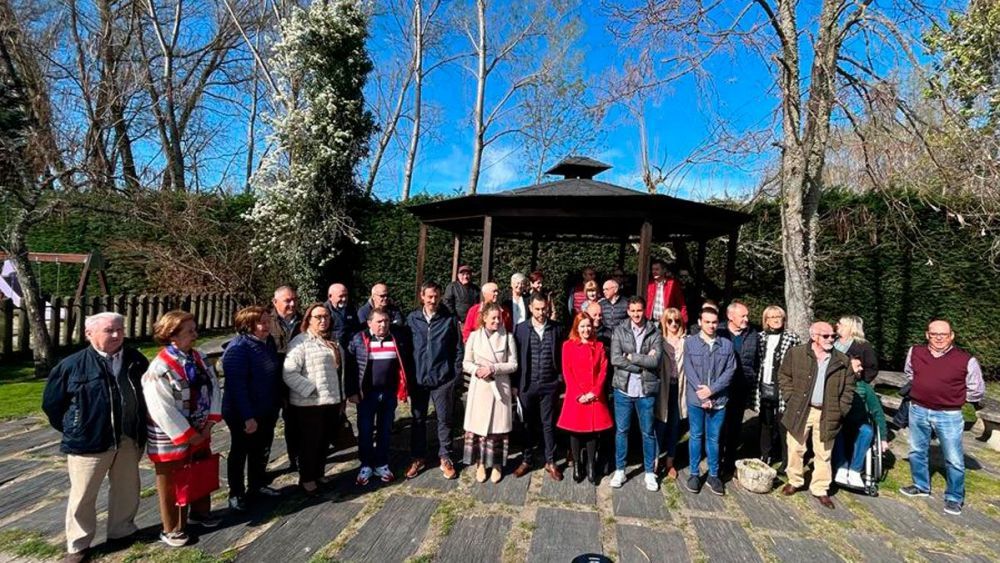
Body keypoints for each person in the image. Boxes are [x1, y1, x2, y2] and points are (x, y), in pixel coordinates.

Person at [42, 312, 148, 562]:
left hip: (127, 438)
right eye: (109, 330)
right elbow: (52, 405)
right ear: (89, 334)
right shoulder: (71, 365)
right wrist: (76, 426)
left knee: (127, 489)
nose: (116, 335)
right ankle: (78, 544)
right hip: (89, 442)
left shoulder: (135, 359)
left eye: (120, 330)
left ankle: (122, 531)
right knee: (83, 495)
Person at [142, 311, 222, 547]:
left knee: (199, 471)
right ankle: (173, 527)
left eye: (195, 329)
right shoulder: (158, 369)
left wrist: (209, 424)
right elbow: (161, 409)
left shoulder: (200, 358)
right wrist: (189, 434)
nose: (195, 335)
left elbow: (214, 388)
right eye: (190, 331)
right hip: (171, 437)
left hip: (201, 429)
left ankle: (200, 512)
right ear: (172, 336)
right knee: (173, 481)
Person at [899, 319, 985, 516]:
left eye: (943, 334)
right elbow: (910, 373)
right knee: (916, 451)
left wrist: (953, 398)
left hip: (949, 414)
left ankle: (954, 497)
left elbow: (976, 390)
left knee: (954, 458)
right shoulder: (916, 352)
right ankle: (920, 486)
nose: (939, 338)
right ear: (927, 334)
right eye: (934, 334)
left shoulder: (966, 359)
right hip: (918, 409)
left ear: (951, 336)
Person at [778, 321, 855, 510]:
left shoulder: (842, 361)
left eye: (833, 336)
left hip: (828, 412)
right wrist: (790, 397)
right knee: (795, 448)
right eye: (826, 336)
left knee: (824, 453)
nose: (831, 339)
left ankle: (820, 488)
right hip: (801, 409)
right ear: (814, 336)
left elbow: (849, 389)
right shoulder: (796, 354)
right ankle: (795, 480)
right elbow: (784, 376)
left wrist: (840, 410)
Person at [221, 306, 282, 511]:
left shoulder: (268, 342)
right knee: (240, 452)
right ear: (248, 325)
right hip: (242, 412)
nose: (266, 326)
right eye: (261, 322)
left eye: (267, 321)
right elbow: (237, 387)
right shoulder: (238, 349)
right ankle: (236, 493)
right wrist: (248, 417)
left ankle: (257, 485)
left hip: (266, 408)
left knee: (261, 450)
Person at [283, 303, 346, 495]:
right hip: (309, 405)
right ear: (308, 320)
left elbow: (338, 372)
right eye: (318, 317)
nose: (323, 320)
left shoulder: (332, 341)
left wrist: (341, 397)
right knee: (309, 443)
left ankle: (319, 474)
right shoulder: (300, 342)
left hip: (331, 402)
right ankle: (307, 479)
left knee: (324, 442)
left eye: (326, 316)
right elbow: (289, 373)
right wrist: (311, 390)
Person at [345, 308, 412, 486]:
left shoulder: (396, 338)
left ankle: (382, 463)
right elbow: (351, 368)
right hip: (366, 395)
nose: (383, 325)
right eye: (379, 321)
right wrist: (352, 391)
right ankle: (366, 464)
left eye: (386, 321)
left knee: (385, 429)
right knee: (365, 431)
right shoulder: (359, 339)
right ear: (369, 323)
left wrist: (403, 389)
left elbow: (404, 365)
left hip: (388, 393)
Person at [405, 282, 464, 480]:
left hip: (442, 380)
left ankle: (445, 457)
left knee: (444, 419)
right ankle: (418, 457)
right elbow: (406, 348)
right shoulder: (412, 319)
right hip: (419, 379)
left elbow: (458, 349)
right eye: (429, 296)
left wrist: (454, 375)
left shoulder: (449, 319)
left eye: (436, 296)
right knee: (419, 419)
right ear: (422, 297)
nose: (433, 300)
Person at [609, 296, 663, 492]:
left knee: (648, 432)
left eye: (639, 310)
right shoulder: (619, 330)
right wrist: (641, 364)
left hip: (646, 391)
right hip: (623, 389)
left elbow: (655, 362)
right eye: (632, 311)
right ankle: (620, 470)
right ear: (628, 311)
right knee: (621, 431)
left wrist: (631, 357)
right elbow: (615, 359)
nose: (636, 314)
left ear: (644, 310)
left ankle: (650, 472)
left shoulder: (655, 332)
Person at [512, 292, 566, 481]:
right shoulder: (520, 330)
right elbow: (515, 358)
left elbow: (562, 355)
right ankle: (527, 459)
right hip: (527, 384)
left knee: (548, 424)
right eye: (537, 309)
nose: (541, 312)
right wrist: (515, 385)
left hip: (550, 384)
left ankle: (550, 461)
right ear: (530, 309)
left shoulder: (557, 329)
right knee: (526, 423)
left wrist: (559, 379)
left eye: (544, 309)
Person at [463, 303, 518, 483]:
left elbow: (513, 364)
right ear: (484, 317)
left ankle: (496, 465)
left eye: (499, 318)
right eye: (493, 318)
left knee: (498, 430)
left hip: (499, 389)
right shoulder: (473, 337)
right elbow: (466, 362)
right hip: (480, 388)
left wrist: (494, 368)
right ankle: (479, 463)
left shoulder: (508, 337)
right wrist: (477, 370)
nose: (497, 321)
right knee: (480, 429)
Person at [683, 307, 736, 496]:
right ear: (700, 322)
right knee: (696, 436)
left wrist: (712, 391)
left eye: (714, 322)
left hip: (719, 400)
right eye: (707, 322)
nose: (711, 325)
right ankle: (694, 474)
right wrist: (702, 393)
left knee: (714, 439)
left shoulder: (726, 345)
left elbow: (730, 371)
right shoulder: (690, 343)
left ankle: (714, 475)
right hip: (696, 400)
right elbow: (689, 369)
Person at [557, 312, 612, 485]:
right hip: (576, 395)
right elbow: (567, 371)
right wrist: (579, 394)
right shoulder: (568, 346)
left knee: (592, 433)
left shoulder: (600, 346)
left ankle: (590, 465)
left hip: (594, 396)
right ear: (576, 328)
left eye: (588, 326)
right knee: (575, 431)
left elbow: (603, 371)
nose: (586, 329)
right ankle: (577, 465)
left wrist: (594, 392)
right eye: (582, 326)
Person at [753, 305, 801, 468]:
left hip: (783, 387)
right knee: (765, 423)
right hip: (764, 384)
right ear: (766, 320)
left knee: (783, 424)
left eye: (778, 316)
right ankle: (765, 455)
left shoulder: (792, 337)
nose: (775, 320)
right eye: (772, 317)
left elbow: (797, 363)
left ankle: (786, 460)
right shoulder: (760, 337)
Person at [716, 301, 759, 476]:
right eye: (743, 316)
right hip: (720, 387)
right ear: (730, 316)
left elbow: (756, 359)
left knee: (734, 427)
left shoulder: (752, 334)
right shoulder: (718, 332)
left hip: (741, 386)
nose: (746, 319)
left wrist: (751, 376)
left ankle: (729, 463)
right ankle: (715, 461)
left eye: (747, 315)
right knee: (718, 426)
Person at [833, 375, 889, 489]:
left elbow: (877, 411)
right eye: (857, 365)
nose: (860, 369)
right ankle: (841, 467)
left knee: (867, 431)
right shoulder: (837, 382)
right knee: (836, 428)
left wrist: (883, 438)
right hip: (840, 423)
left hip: (858, 424)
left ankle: (855, 470)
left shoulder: (865, 387)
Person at [269, 285, 302, 473]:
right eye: (287, 300)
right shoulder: (266, 321)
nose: (292, 304)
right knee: (268, 425)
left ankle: (295, 458)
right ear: (275, 302)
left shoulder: (303, 320)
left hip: (296, 381)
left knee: (294, 422)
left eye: (294, 300)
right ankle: (260, 469)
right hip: (273, 382)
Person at [654, 308, 687, 480]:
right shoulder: (658, 340)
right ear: (664, 322)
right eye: (670, 321)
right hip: (662, 388)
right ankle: (654, 460)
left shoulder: (686, 341)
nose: (674, 324)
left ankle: (669, 462)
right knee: (660, 424)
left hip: (679, 388)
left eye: (677, 321)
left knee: (674, 425)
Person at [834, 315, 878, 383]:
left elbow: (872, 368)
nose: (836, 324)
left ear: (848, 327)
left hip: (850, 384)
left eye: (840, 323)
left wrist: (858, 382)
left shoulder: (863, 346)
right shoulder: (833, 340)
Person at [645, 259, 687, 325]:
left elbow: (681, 304)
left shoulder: (672, 284)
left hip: (668, 322)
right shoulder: (650, 284)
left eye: (657, 269)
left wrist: (684, 322)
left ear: (664, 270)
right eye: (653, 269)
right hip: (652, 321)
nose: (654, 272)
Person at [325, 283, 360, 350]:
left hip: (351, 349)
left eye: (346, 295)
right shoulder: (324, 311)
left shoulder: (352, 308)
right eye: (340, 296)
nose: (344, 299)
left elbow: (356, 328)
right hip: (332, 348)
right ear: (330, 296)